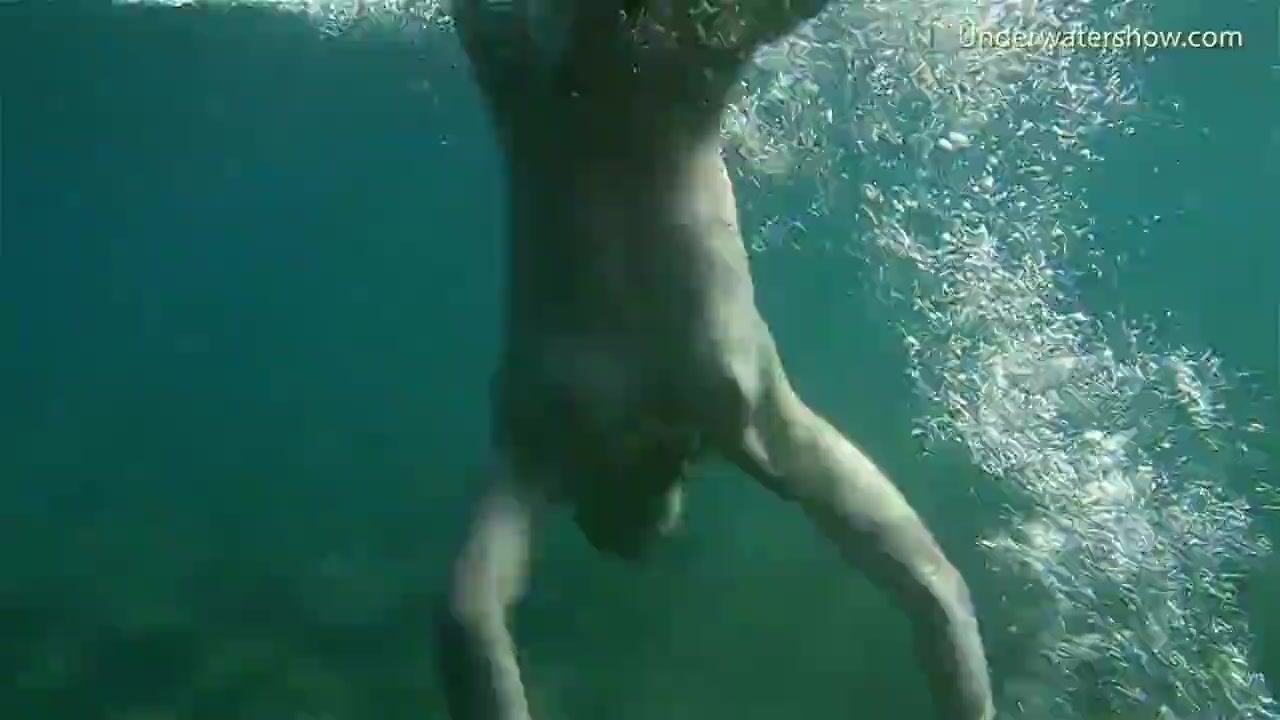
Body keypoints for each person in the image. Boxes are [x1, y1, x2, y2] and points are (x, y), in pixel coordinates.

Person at [434, 1, 997, 719]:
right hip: (553, 72)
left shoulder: (735, 414)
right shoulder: (569, 435)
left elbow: (939, 594)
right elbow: (467, 620)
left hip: (670, 65)